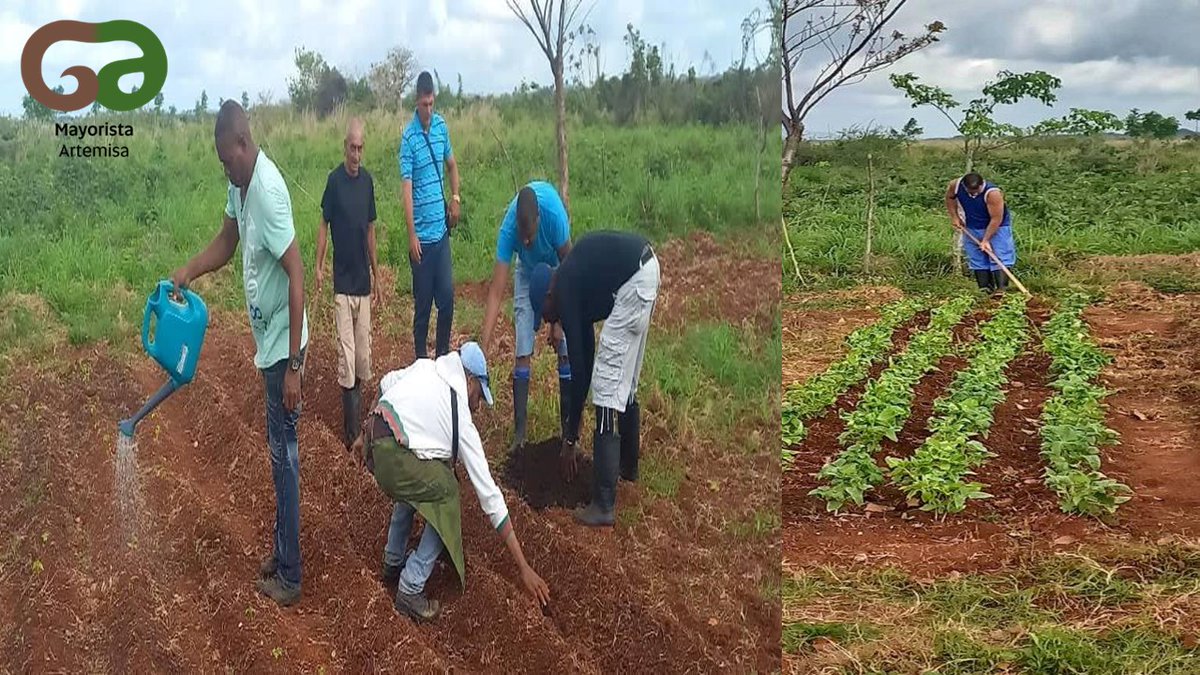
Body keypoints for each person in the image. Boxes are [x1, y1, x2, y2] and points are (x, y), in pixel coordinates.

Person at [171, 100, 309, 606]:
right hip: (269, 341)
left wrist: (294, 365)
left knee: (285, 458)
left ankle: (291, 575)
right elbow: (227, 241)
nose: (224, 168)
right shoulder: (239, 185)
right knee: (278, 457)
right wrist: (189, 270)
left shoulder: (268, 192)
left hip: (282, 349)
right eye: (221, 162)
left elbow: (298, 274)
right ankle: (283, 551)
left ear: (243, 144)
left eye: (227, 159)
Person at [349, 342, 551, 622]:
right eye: (479, 396)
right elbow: (489, 495)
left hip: (376, 444)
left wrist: (362, 435)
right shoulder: (461, 418)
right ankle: (411, 585)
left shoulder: (425, 368)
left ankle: (392, 561)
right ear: (469, 382)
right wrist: (523, 566)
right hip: (393, 461)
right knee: (447, 492)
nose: (477, 406)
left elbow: (385, 385)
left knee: (422, 474)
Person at [529, 231, 659, 527]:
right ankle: (627, 468)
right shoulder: (571, 279)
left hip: (634, 281)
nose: (549, 323)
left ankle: (603, 503)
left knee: (607, 385)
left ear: (549, 297)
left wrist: (570, 439)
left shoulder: (566, 288)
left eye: (547, 316)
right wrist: (571, 433)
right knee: (624, 382)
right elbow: (583, 359)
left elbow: (580, 370)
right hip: (645, 269)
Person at [480, 181, 573, 454]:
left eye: (530, 235)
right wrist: (483, 347)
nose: (527, 241)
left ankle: (568, 431)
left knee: (564, 348)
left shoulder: (554, 216)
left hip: (558, 268)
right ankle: (520, 436)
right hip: (527, 273)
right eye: (523, 237)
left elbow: (572, 270)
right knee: (522, 346)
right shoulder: (509, 230)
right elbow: (496, 292)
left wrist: (559, 323)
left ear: (539, 220)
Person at [317, 118, 381, 447]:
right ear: (345, 147)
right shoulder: (334, 182)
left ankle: (360, 428)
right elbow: (323, 224)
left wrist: (377, 273)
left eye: (360, 148)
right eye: (352, 148)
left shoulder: (367, 182)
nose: (356, 154)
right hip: (342, 284)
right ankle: (351, 433)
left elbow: (370, 230)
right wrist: (318, 266)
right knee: (346, 355)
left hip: (362, 285)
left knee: (362, 358)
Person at [399, 71, 460, 359]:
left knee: (446, 300)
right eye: (424, 104)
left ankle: (444, 356)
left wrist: (456, 197)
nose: (428, 110)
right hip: (421, 239)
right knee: (422, 307)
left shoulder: (441, 128)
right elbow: (407, 189)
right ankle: (421, 361)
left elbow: (451, 165)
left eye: (432, 103)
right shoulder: (408, 138)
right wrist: (412, 236)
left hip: (441, 234)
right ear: (416, 102)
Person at [946, 171, 1017, 294]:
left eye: (976, 191)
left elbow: (996, 219)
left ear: (981, 184)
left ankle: (1001, 289)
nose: (973, 194)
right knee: (977, 258)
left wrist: (986, 240)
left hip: (997, 227)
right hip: (972, 226)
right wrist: (955, 217)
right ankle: (985, 290)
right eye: (970, 191)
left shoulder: (993, 193)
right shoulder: (955, 185)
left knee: (999, 256)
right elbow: (950, 198)